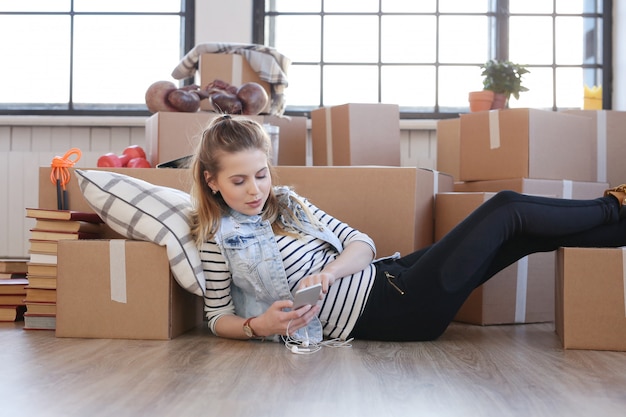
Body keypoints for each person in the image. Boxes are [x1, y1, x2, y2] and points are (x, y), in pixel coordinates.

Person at [190, 114, 626, 343]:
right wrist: (259, 326)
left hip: (390, 276)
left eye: (261, 174)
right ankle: (614, 205)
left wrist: (328, 274)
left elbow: (359, 242)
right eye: (239, 181)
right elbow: (217, 318)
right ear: (211, 181)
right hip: (395, 310)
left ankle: (617, 227)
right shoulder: (216, 239)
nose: (255, 190)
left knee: (522, 235)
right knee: (507, 208)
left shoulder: (286, 202)